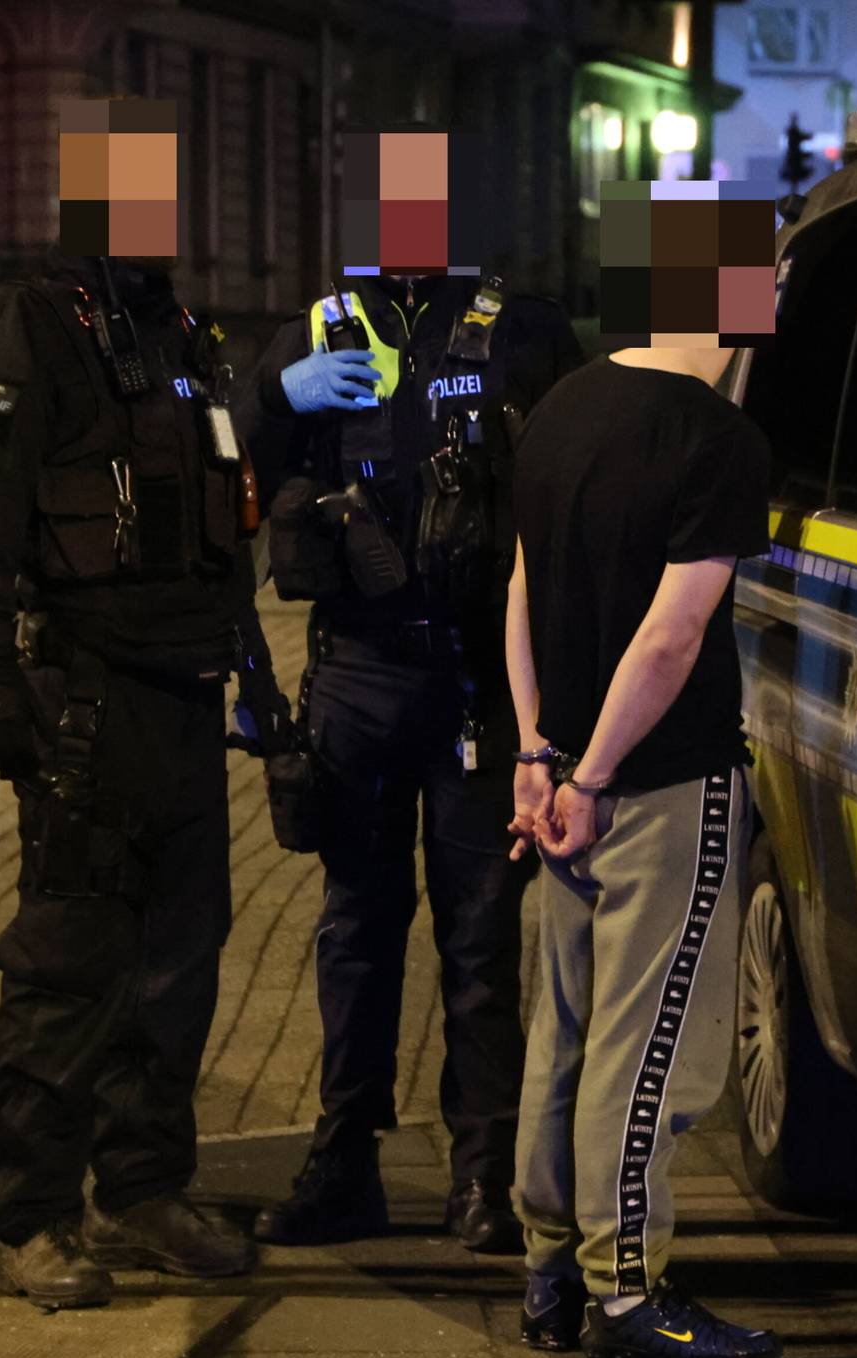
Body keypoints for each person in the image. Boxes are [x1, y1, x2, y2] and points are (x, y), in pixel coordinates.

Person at [0, 247, 287, 1308]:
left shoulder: (177, 333)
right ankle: (35, 1213)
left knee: (180, 957)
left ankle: (144, 1184)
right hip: (80, 693)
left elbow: (221, 528)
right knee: (69, 960)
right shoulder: (24, 324)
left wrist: (256, 680)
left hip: (183, 693)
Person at [238, 271, 585, 1251]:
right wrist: (275, 394)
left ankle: (484, 1176)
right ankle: (345, 1163)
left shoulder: (525, 324)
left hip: (479, 674)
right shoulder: (320, 323)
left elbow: (578, 476)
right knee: (356, 928)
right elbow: (231, 462)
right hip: (355, 671)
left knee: (481, 937)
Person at [505, 343, 782, 1358]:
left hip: (566, 771)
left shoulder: (559, 407)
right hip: (656, 782)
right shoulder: (717, 440)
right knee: (651, 1042)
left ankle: (549, 1272)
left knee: (566, 1027)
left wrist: (539, 752)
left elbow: (521, 591)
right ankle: (626, 1286)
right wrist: (600, 773)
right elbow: (672, 637)